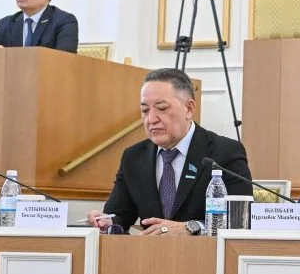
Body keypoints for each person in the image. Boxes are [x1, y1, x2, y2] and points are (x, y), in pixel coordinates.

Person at [86, 68, 253, 235]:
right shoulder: (133, 156)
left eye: (162, 108)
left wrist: (191, 228)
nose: (151, 119)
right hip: (150, 251)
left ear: (189, 109)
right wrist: (107, 222)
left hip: (206, 250)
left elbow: (239, 221)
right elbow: (120, 215)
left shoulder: (225, 152)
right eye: (145, 110)